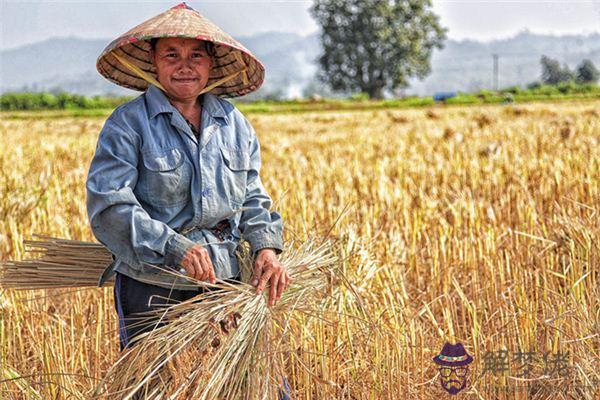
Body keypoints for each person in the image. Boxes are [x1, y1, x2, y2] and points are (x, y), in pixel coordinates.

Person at [86, 3, 292, 387]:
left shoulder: (234, 124)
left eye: (196, 54)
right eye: (172, 55)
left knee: (255, 385)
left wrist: (266, 247)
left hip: (227, 280)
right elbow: (109, 206)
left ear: (211, 64)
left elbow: (252, 197)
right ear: (154, 62)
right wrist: (174, 247)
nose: (185, 65)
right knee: (151, 388)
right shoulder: (128, 125)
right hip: (153, 284)